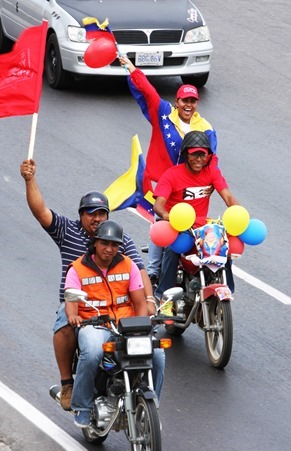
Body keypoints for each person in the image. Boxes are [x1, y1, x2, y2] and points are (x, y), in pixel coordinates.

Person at [20, 159, 161, 411]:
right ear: (81, 215)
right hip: (79, 303)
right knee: (64, 321)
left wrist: (149, 301)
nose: (97, 218)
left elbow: (140, 272)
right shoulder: (66, 230)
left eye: (101, 214)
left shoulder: (119, 239)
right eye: (91, 213)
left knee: (154, 347)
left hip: (116, 302)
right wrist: (30, 180)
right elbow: (40, 211)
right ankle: (67, 384)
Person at [118, 55, 217, 287]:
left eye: (193, 101)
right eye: (184, 101)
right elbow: (149, 91)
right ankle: (153, 273)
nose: (188, 105)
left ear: (197, 103)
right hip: (163, 184)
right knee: (160, 224)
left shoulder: (206, 128)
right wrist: (131, 68)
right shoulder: (163, 114)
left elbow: (212, 160)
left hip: (190, 189)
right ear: (177, 101)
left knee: (193, 231)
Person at [65, 220, 152, 427]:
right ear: (95, 243)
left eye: (114, 245)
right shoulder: (77, 269)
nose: (109, 249)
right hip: (94, 325)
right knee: (93, 350)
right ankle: (82, 407)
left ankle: (149, 403)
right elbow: (71, 305)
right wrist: (74, 316)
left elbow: (140, 303)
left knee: (156, 353)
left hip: (125, 325)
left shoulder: (129, 266)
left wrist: (141, 328)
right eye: (105, 243)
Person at [152, 130, 240, 307]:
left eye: (203, 155)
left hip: (202, 227)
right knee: (173, 249)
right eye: (194, 155)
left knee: (225, 245)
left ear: (208, 156)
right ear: (186, 154)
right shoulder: (172, 175)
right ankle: (165, 298)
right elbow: (158, 205)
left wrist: (238, 213)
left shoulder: (212, 173)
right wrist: (168, 216)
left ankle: (227, 287)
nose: (199, 159)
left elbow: (228, 197)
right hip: (178, 226)